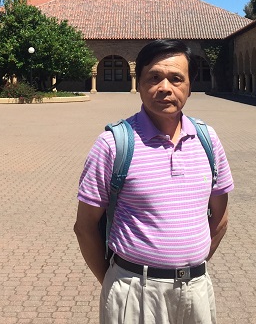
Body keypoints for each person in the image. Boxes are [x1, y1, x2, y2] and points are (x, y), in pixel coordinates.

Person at [74, 39, 234, 324]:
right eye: (154, 77)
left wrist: (187, 267)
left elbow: (220, 220)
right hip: (134, 292)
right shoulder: (113, 144)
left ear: (189, 85)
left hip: (196, 291)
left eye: (176, 79)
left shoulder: (208, 140)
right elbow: (85, 227)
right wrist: (114, 280)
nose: (165, 88)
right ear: (139, 83)